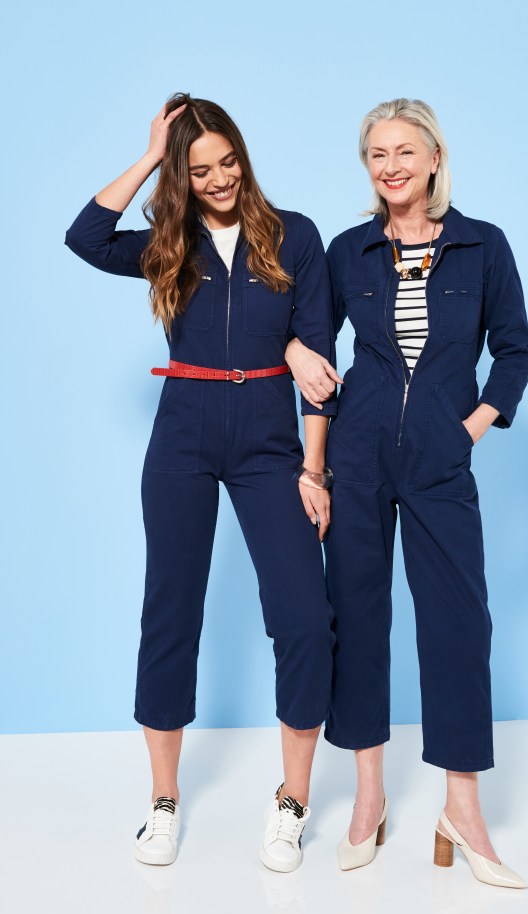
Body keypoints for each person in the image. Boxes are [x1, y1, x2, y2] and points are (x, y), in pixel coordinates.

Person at [65, 94, 338, 873]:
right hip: (183, 431)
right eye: (199, 168)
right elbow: (84, 236)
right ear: (182, 176)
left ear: (244, 158)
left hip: (268, 441)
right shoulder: (167, 240)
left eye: (228, 161)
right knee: (170, 608)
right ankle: (162, 804)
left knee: (303, 614)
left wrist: (313, 470)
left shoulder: (295, 236)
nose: (219, 179)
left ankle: (291, 802)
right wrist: (153, 154)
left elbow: (317, 360)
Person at [286, 98, 528, 887]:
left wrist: (469, 429)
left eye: (404, 151)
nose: (390, 166)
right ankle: (369, 798)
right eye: (376, 154)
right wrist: (313, 462)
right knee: (357, 617)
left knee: (459, 624)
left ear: (433, 157)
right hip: (358, 453)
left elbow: (516, 352)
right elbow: (316, 354)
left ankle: (463, 811)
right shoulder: (349, 250)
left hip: (439, 458)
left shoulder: (482, 246)